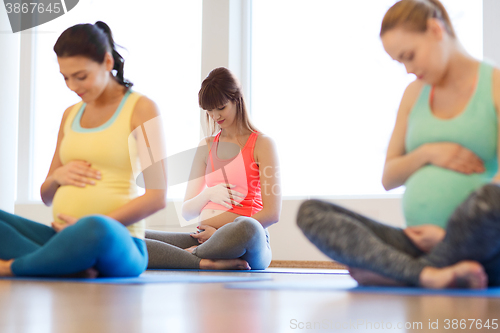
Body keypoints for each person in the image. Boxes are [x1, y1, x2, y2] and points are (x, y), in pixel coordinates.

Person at [297, 0, 500, 289]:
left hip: (481, 247)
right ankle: (429, 274)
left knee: (493, 200)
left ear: (435, 28)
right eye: (400, 62)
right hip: (417, 241)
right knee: (311, 212)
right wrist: (429, 153)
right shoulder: (413, 95)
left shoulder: (494, 84)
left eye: (410, 56)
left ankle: (402, 273)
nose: (407, 69)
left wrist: (448, 237)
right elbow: (389, 177)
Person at [0, 21, 166, 278]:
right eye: (65, 78)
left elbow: (157, 197)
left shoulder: (141, 108)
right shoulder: (70, 115)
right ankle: (71, 265)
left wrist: (83, 227)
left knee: (94, 226)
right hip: (59, 237)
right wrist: (57, 177)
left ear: (107, 63)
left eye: (81, 76)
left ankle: (12, 267)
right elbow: (47, 196)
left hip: (116, 241)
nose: (73, 87)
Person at [145, 67, 281, 270]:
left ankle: (190, 258)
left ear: (236, 100)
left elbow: (271, 214)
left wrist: (218, 234)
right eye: (209, 110)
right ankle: (206, 260)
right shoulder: (206, 146)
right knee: (136, 235)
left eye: (221, 107)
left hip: (246, 240)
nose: (215, 116)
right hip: (204, 238)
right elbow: (187, 212)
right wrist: (207, 194)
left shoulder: (263, 144)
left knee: (247, 227)